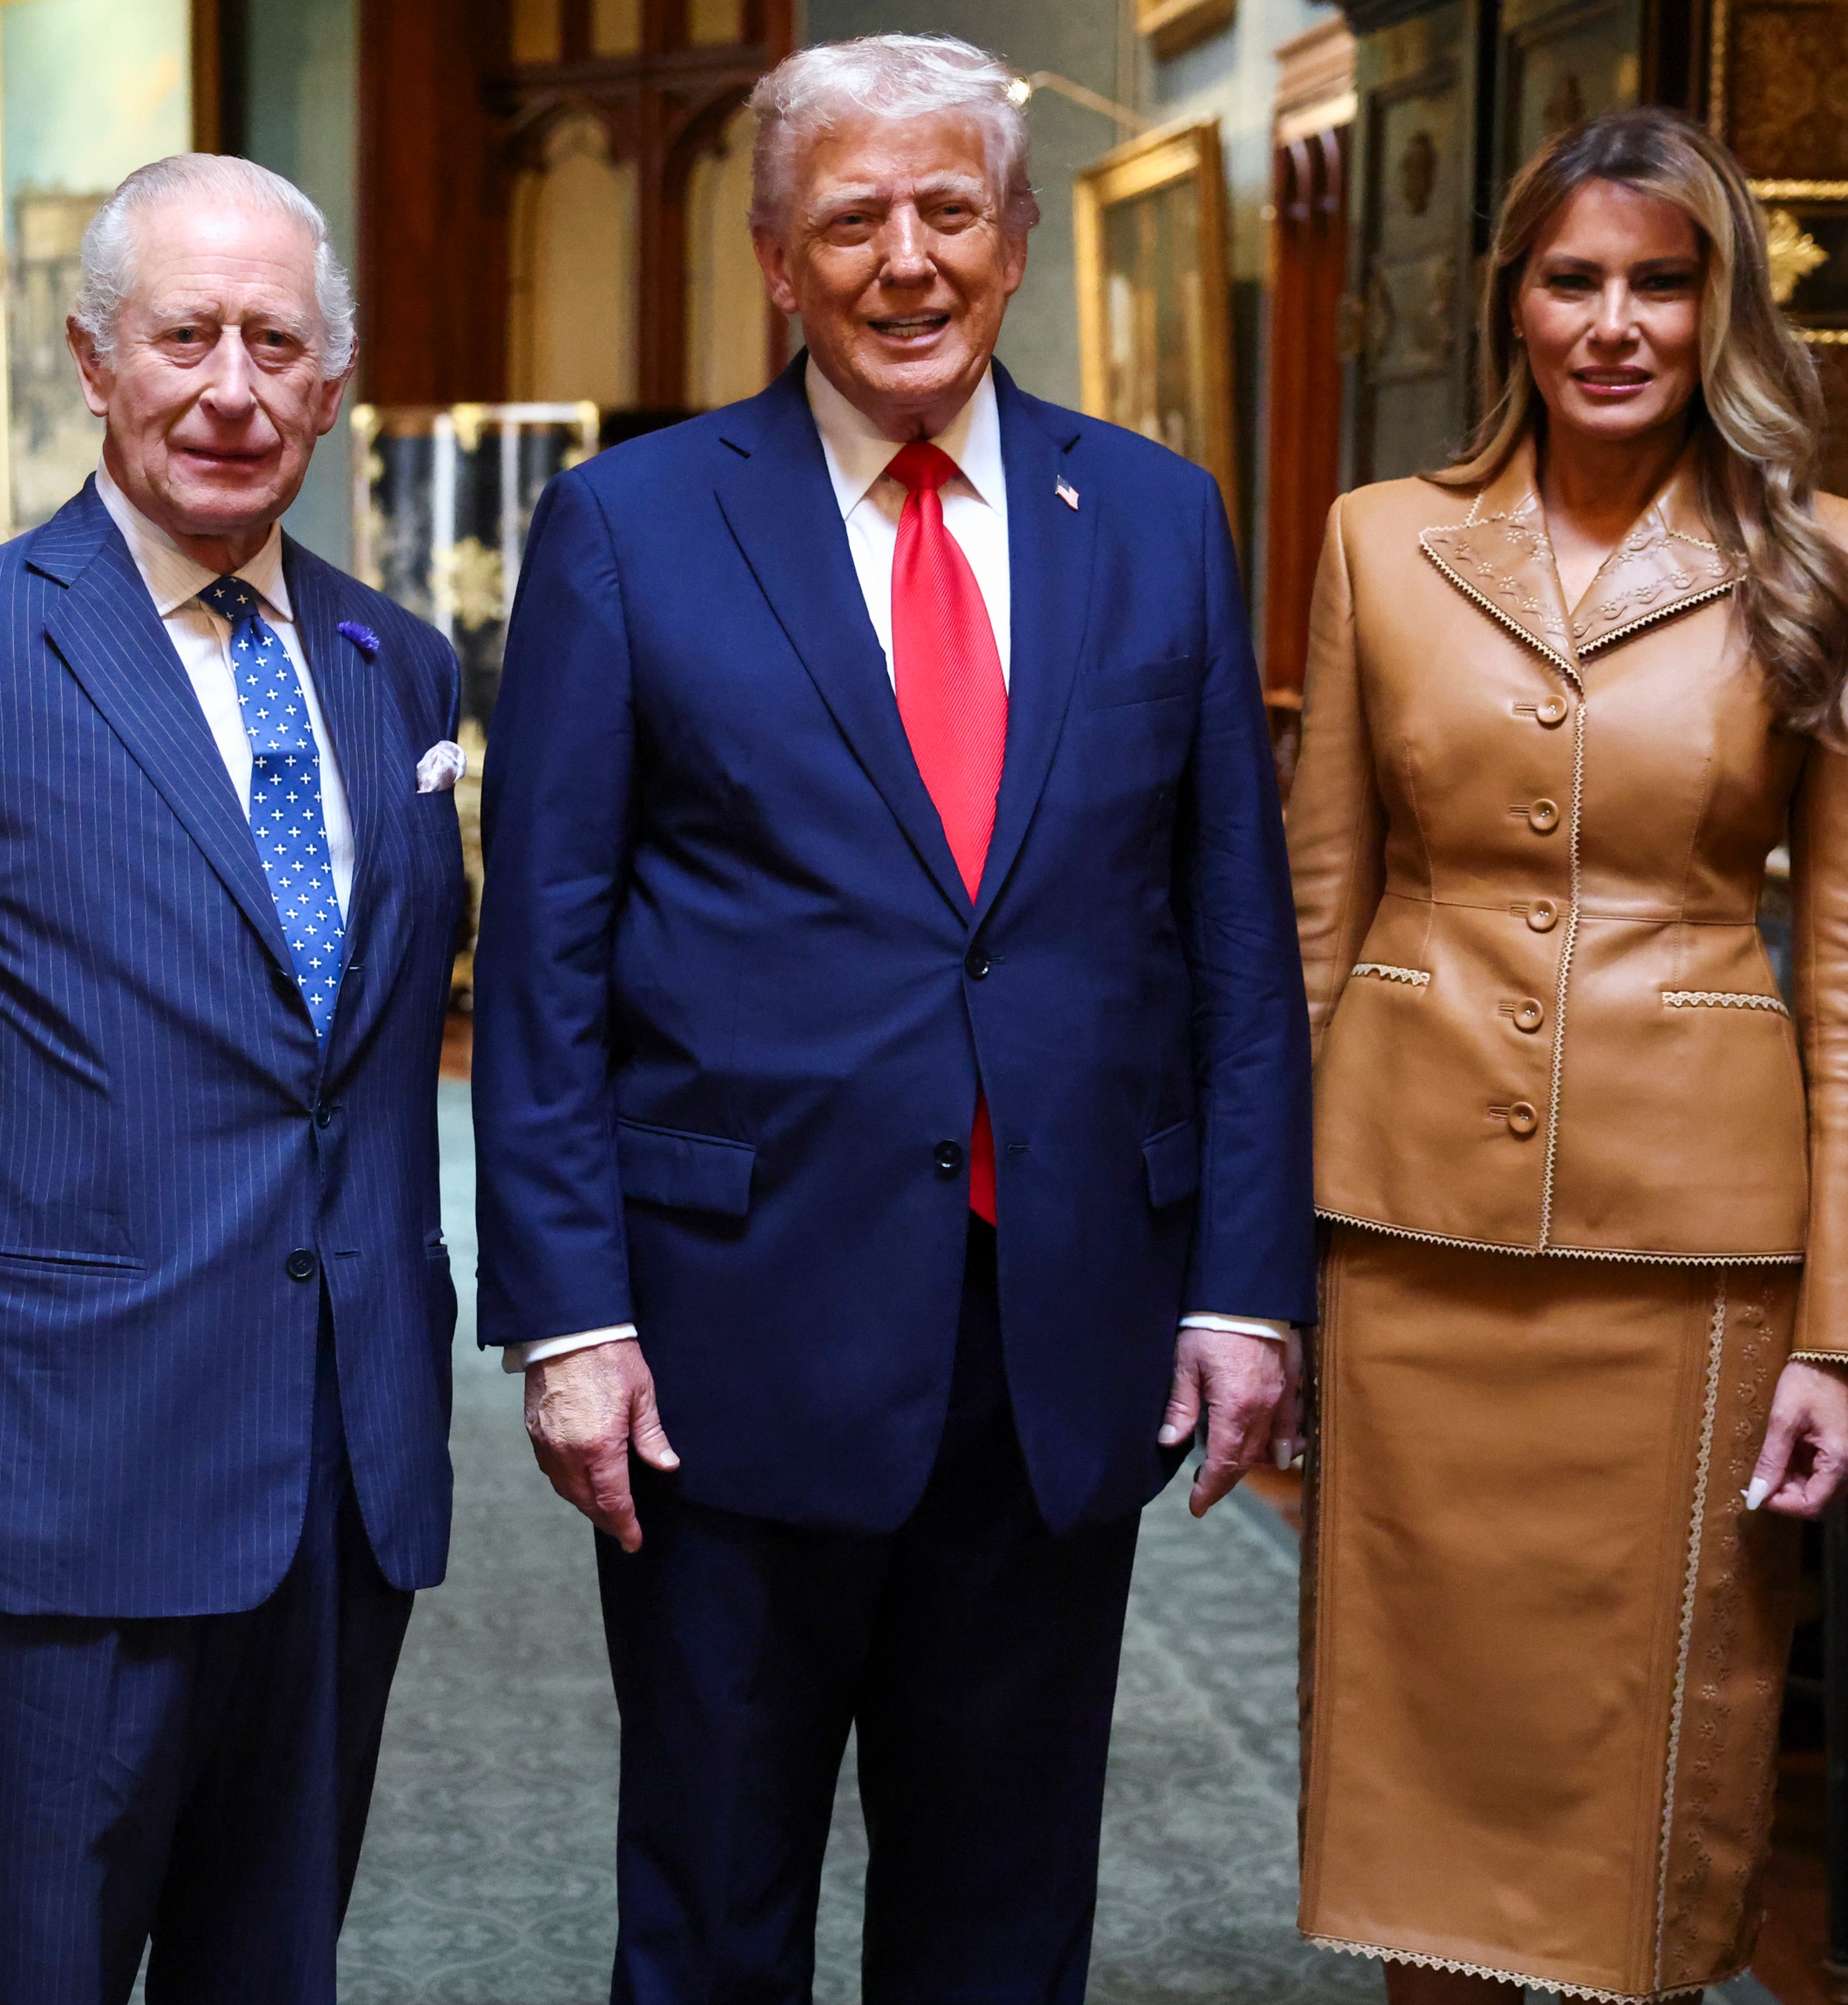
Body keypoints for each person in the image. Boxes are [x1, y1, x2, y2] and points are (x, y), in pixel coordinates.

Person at [474, 35, 1315, 2002]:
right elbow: (543, 958)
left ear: (1014, 239)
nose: (907, 259)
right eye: (853, 219)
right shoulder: (631, 524)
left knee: (1003, 1919)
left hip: (1060, 1328)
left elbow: (1231, 937)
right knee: (713, 1903)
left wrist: (1244, 1286)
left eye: (949, 209)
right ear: (779, 261)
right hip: (726, 1335)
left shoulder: (1158, 518)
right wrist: (569, 1320)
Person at [0, 153, 467, 2004]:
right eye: (186, 338)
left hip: (338, 1460)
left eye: (277, 343)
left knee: (273, 1968)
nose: (232, 389)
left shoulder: (399, 668)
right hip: (56, 1462)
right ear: (95, 360)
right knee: (37, 1969)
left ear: (333, 382)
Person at [1279, 105, 1848, 2004]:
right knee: (1416, 1757)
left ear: (1721, 308)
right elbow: (1315, 919)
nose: (1614, 323)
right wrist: (1256, 1269)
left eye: (1661, 282)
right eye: (1574, 280)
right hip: (1405, 1230)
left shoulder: (1832, 562)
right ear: (1515, 302)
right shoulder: (1379, 543)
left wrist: (1842, 1333)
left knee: (1651, 1757)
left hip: (1688, 1255)